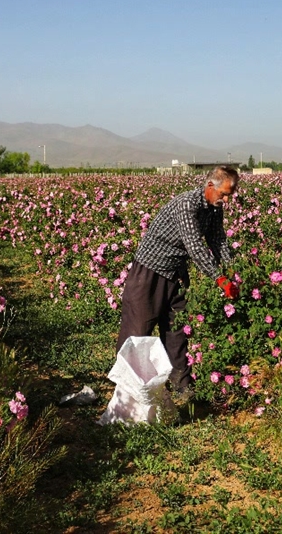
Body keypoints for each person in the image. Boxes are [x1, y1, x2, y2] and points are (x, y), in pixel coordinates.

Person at [116, 165, 240, 398]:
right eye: (223, 194)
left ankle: (183, 387)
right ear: (210, 186)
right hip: (149, 272)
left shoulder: (214, 209)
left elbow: (218, 240)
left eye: (229, 196)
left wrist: (233, 270)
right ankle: (127, 389)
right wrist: (220, 279)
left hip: (175, 273)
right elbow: (193, 245)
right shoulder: (187, 204)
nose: (225, 200)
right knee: (138, 330)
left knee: (177, 331)